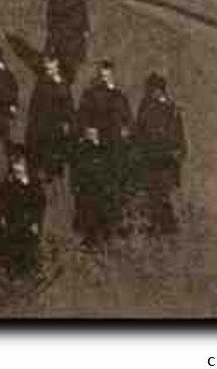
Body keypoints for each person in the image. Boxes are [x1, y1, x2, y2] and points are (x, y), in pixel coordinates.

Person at [131, 73, 186, 235]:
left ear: (160, 90)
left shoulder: (172, 110)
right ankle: (158, 227)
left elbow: (179, 137)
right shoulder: (145, 106)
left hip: (165, 161)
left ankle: (167, 227)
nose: (150, 93)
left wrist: (178, 154)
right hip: (149, 159)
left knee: (162, 195)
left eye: (153, 90)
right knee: (152, 194)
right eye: (149, 90)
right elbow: (139, 130)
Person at [26, 57, 76, 185]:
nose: (48, 68)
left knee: (55, 147)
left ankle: (54, 172)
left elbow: (68, 104)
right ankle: (43, 172)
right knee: (42, 146)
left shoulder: (63, 84)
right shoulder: (42, 81)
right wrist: (32, 118)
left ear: (57, 65)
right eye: (47, 66)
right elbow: (34, 102)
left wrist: (68, 121)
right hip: (42, 120)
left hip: (57, 122)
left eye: (51, 65)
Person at [71, 125, 122, 249]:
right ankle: (90, 241)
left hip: (102, 189)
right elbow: (76, 169)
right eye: (88, 131)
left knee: (102, 214)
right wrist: (75, 185)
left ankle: (104, 240)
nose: (90, 134)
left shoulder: (105, 149)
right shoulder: (81, 150)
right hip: (87, 188)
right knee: (87, 214)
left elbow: (112, 169)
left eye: (93, 131)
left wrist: (109, 185)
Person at [0, 149, 47, 272]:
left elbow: (40, 204)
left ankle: (31, 269)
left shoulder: (34, 184)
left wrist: (35, 221)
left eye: (20, 166)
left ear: (25, 166)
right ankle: (13, 271)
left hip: (30, 221)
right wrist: (2, 216)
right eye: (14, 166)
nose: (17, 169)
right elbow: (1, 202)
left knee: (30, 246)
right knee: (13, 246)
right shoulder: (7, 184)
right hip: (13, 220)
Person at [44, 0, 91, 81]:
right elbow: (52, 14)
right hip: (64, 33)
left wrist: (86, 28)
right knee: (62, 54)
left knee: (72, 57)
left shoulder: (79, 0)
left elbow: (84, 15)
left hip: (75, 35)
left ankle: (69, 76)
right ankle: (59, 73)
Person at [78, 61, 133, 149]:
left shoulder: (120, 95)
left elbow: (128, 116)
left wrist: (126, 128)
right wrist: (88, 129)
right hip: (97, 140)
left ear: (113, 76)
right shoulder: (90, 93)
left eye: (109, 76)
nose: (105, 80)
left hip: (115, 140)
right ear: (98, 77)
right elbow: (83, 114)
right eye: (103, 76)